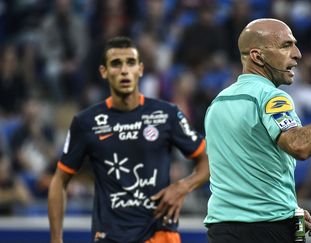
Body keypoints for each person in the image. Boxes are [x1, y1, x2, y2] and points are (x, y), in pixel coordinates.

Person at [204, 18, 311, 243]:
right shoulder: (271, 96)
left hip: (221, 230)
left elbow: (243, 169)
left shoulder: (218, 103)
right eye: (286, 45)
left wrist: (287, 207)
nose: (297, 54)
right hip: (265, 231)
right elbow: (299, 145)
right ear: (258, 56)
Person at [48, 36, 209, 243]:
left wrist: (182, 187)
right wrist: (56, 239)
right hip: (109, 237)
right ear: (103, 72)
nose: (124, 70)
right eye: (116, 64)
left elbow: (207, 160)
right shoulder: (86, 122)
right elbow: (59, 180)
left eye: (130, 63)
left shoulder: (166, 114)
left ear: (140, 69)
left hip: (159, 234)